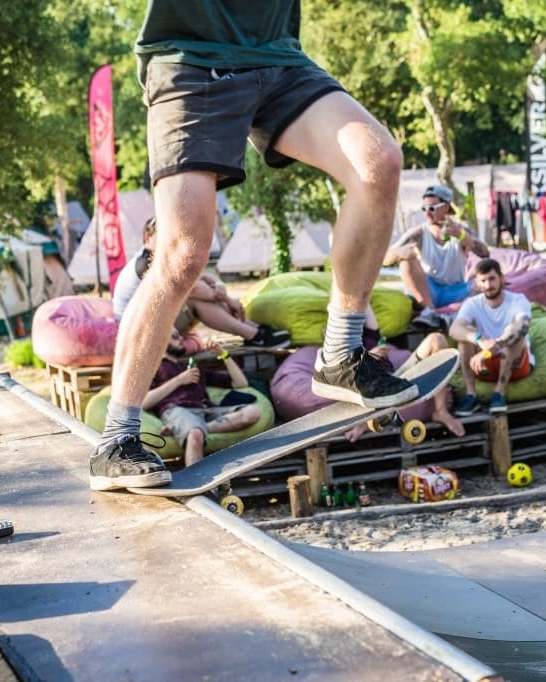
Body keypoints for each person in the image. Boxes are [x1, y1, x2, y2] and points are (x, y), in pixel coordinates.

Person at [89, 1, 418, 491]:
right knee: (182, 255)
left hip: (279, 59)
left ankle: (341, 354)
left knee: (379, 164)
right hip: (190, 59)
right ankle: (118, 438)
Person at [112, 217, 290, 349]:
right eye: (162, 236)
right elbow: (191, 289)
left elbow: (202, 276)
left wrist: (218, 289)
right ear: (147, 238)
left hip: (151, 321)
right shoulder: (146, 262)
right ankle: (254, 334)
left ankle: (253, 330)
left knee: (201, 293)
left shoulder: (161, 258)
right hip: (136, 331)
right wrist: (225, 299)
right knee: (195, 301)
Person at [144, 332, 263, 466]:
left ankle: (181, 430)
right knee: (195, 434)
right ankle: (197, 484)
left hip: (207, 410)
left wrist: (223, 354)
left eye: (180, 335)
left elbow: (241, 383)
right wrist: (179, 380)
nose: (181, 338)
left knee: (252, 412)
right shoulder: (154, 367)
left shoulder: (195, 367)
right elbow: (144, 402)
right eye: (174, 336)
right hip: (178, 410)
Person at [383, 185, 490, 329]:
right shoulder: (419, 233)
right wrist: (399, 253)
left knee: (484, 283)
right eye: (424, 209)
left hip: (455, 290)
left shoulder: (461, 230)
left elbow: (484, 253)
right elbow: (385, 259)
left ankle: (451, 318)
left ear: (446, 208)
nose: (427, 213)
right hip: (428, 291)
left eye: (432, 208)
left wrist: (461, 236)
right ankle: (430, 313)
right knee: (405, 261)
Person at [343, 329, 465, 442]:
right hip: (372, 385)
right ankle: (369, 420)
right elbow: (339, 370)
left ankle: (441, 411)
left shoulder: (363, 320)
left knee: (436, 339)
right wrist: (366, 357)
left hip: (396, 374)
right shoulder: (335, 332)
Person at [448, 258, 535, 415]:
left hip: (516, 365)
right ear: (477, 283)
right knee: (464, 336)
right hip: (484, 366)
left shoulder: (518, 300)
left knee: (513, 332)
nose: (488, 285)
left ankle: (499, 394)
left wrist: (492, 348)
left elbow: (523, 326)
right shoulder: (472, 303)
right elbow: (454, 329)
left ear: (502, 278)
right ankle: (471, 395)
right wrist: (478, 339)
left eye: (492, 278)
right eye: (483, 280)